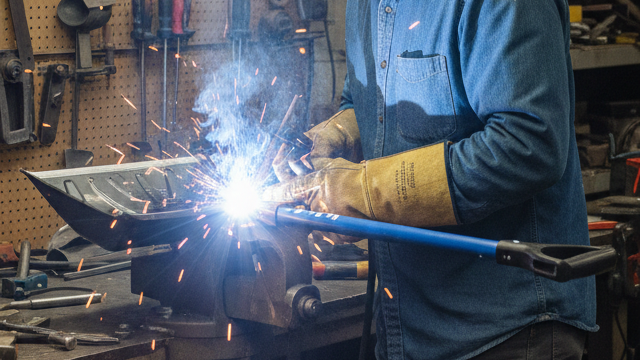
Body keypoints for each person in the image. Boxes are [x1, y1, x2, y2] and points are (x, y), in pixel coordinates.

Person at [265, 0, 595, 359]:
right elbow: (368, 100)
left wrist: (365, 192)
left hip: (505, 332)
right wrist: (345, 130)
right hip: (403, 326)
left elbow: (528, 145)